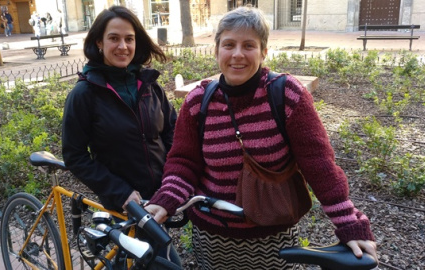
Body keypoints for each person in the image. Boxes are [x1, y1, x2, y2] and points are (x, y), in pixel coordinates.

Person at [145, 6, 377, 270]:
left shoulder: (287, 95)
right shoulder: (198, 102)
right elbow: (184, 162)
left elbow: (319, 164)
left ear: (264, 51)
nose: (237, 54)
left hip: (271, 236)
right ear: (217, 50)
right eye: (229, 44)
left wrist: (349, 223)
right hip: (211, 235)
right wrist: (166, 199)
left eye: (249, 45)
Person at [61, 5, 178, 265]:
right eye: (114, 38)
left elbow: (172, 132)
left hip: (157, 198)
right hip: (122, 203)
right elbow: (74, 155)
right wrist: (120, 192)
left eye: (129, 38)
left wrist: (173, 179)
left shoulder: (150, 86)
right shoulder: (85, 95)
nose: (123, 46)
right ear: (99, 43)